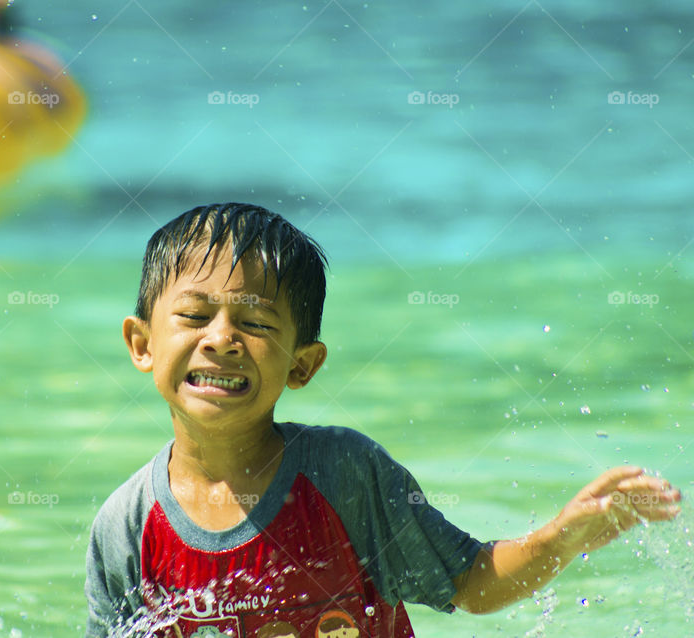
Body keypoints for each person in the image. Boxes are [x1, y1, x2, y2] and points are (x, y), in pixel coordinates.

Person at [84, 203, 682, 637]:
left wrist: (560, 538)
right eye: (194, 315)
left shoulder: (344, 474)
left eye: (257, 323)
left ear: (303, 365)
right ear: (141, 344)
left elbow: (472, 581)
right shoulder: (128, 525)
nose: (221, 339)